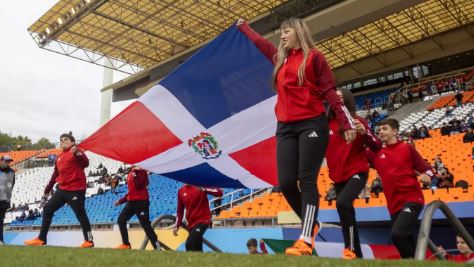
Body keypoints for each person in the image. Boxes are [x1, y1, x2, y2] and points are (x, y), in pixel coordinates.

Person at [237, 17, 356, 256]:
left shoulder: (315, 58)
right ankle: (311, 223)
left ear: (298, 32)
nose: (281, 36)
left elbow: (330, 93)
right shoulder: (281, 59)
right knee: (286, 182)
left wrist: (346, 123)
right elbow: (263, 45)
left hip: (311, 123)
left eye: (286, 31)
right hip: (285, 127)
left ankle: (305, 238)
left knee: (307, 179)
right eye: (281, 32)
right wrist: (244, 28)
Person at [325, 89, 382, 259]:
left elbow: (377, 146)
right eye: (335, 98)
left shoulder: (358, 121)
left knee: (342, 203)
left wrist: (365, 134)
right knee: (345, 211)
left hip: (357, 171)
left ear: (348, 101)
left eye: (341, 98)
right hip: (337, 175)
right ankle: (355, 254)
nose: (337, 101)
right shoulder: (326, 124)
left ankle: (350, 250)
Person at [366, 118, 434, 258]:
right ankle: (417, 261)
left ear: (395, 131)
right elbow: (357, 158)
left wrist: (427, 176)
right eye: (379, 130)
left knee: (397, 234)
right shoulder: (374, 153)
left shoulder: (407, 148)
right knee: (407, 238)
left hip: (412, 198)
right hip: (393, 204)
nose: (381, 132)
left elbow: (428, 169)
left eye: (385, 129)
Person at [24, 133, 94, 248]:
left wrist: (76, 152)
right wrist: (48, 188)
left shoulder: (77, 152)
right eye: (61, 140)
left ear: (72, 142)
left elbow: (86, 164)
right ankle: (41, 239)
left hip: (76, 189)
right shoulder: (60, 156)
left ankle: (89, 240)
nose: (63, 142)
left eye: (66, 140)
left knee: (81, 214)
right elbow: (55, 174)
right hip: (62, 189)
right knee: (47, 209)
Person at [114, 166, 160, 250]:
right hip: (131, 203)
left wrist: (135, 172)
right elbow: (131, 191)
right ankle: (126, 244)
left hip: (141, 203)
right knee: (121, 220)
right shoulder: (130, 174)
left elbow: (138, 185)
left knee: (146, 226)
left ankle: (157, 247)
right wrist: (120, 201)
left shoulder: (143, 173)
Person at [173, 185, 223, 251]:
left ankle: (191, 260)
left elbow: (219, 193)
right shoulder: (181, 191)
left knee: (189, 243)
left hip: (203, 220)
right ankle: (200, 261)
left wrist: (205, 189)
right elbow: (180, 211)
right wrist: (177, 225)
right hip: (191, 223)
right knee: (197, 248)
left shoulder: (200, 185)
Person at [0, 155, 15, 245]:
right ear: (1, 161)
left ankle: (1, 240)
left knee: (1, 221)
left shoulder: (12, 172)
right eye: (6, 161)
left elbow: (12, 185)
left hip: (4, 200)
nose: (8, 163)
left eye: (9, 161)